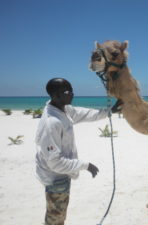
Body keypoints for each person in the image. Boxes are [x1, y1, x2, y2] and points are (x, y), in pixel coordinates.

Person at [35, 78, 111, 225]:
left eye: (71, 90)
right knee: (55, 219)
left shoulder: (63, 109)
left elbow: (85, 114)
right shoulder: (51, 123)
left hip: (63, 175)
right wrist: (86, 165)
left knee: (59, 215)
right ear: (56, 95)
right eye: (68, 91)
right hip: (55, 179)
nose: (72, 94)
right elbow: (55, 163)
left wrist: (109, 111)